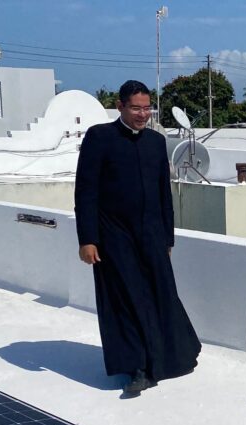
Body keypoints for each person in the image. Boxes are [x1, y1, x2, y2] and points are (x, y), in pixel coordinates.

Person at [74, 80, 200, 395]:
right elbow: (85, 191)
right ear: (120, 107)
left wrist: (167, 238)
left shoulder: (156, 142)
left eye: (147, 108)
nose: (142, 114)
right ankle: (136, 368)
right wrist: (87, 239)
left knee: (160, 295)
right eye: (136, 108)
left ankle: (169, 357)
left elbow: (163, 192)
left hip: (151, 234)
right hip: (112, 235)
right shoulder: (99, 138)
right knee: (125, 300)